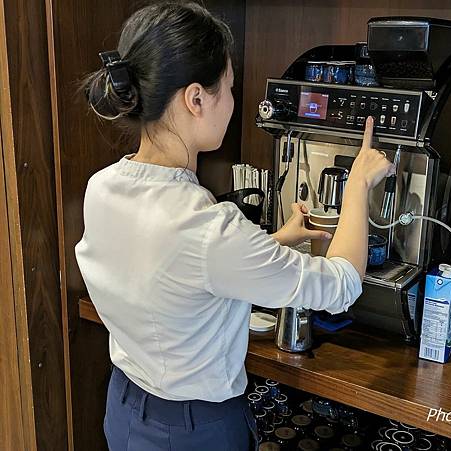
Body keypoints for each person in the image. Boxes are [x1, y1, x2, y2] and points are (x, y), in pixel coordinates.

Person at [75, 3, 394, 450]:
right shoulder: (206, 226)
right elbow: (341, 285)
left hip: (125, 408)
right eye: (228, 87)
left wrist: (276, 241)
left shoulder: (103, 187)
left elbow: (168, 268)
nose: (231, 101)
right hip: (192, 430)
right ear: (196, 99)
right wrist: (358, 184)